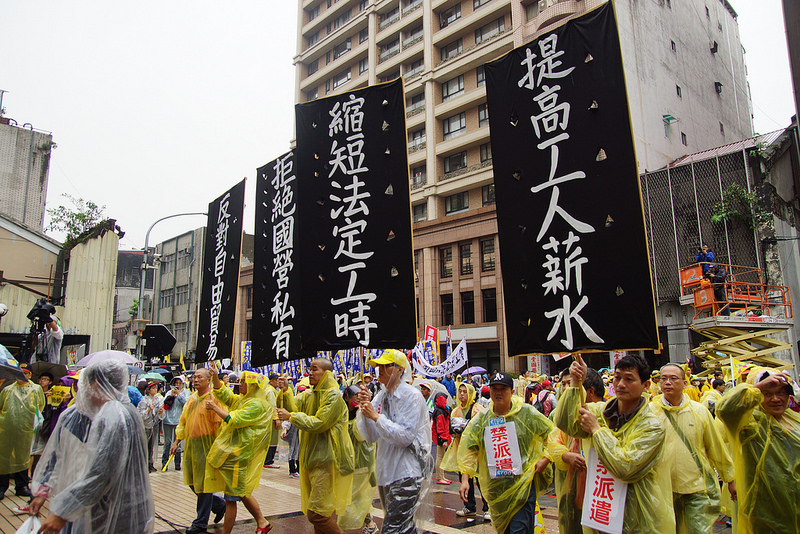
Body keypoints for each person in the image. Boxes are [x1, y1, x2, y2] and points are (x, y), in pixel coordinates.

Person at [553, 354, 675, 533]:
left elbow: (625, 467)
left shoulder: (652, 426)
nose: (621, 384)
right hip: (601, 513)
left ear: (646, 385)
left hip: (637, 519)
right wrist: (574, 384)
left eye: (629, 379)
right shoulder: (601, 412)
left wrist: (597, 431)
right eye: (617, 378)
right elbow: (565, 423)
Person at [29, 359, 154, 533]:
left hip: (114, 513)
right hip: (111, 509)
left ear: (95, 384)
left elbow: (101, 473)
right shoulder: (88, 414)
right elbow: (57, 454)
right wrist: (44, 490)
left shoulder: (114, 415)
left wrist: (62, 512)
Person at [457, 372, 554, 534]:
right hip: (497, 489)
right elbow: (469, 448)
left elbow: (552, 435)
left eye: (503, 389)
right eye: (495, 389)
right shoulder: (482, 419)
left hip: (523, 487)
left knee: (520, 530)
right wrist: (465, 479)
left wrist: (546, 458)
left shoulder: (526, 413)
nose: (499, 393)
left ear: (512, 392)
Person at [651, 364, 735, 534]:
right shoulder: (650, 412)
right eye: (663, 378)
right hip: (662, 489)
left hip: (696, 487)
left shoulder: (699, 412)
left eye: (673, 378)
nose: (667, 382)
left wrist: (730, 479)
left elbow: (716, 447)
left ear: (684, 383)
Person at [357, 349, 431, 534]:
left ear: (400, 370)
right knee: (404, 528)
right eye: (378, 366)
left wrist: (375, 417)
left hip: (407, 473)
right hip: (386, 472)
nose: (380, 370)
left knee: (392, 529)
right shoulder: (380, 397)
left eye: (386, 366)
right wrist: (366, 411)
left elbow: (405, 437)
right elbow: (370, 436)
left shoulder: (411, 396)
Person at [716, 369, 800, 532]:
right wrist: (758, 387)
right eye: (767, 393)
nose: (776, 399)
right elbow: (725, 409)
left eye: (781, 393)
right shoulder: (749, 422)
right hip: (765, 511)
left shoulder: (793, 420)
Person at [277, 358, 354, 534]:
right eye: (309, 369)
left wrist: (291, 417)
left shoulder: (333, 395)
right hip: (312, 459)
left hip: (327, 459)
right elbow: (295, 406)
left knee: (316, 514)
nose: (310, 373)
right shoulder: (311, 394)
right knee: (320, 512)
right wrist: (285, 392)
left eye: (314, 369)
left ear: (326, 373)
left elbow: (319, 423)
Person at [206, 370, 273, 534]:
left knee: (232, 497)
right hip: (234, 453)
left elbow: (233, 419)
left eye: (244, 381)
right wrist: (215, 376)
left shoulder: (256, 404)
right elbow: (225, 395)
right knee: (239, 492)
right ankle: (262, 521)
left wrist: (214, 407)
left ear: (252, 386)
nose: (240, 384)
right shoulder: (245, 400)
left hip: (239, 455)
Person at [548, 368, 605, 534]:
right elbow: (553, 442)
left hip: (601, 494)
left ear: (590, 391)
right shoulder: (564, 416)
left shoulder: (608, 412)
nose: (566, 389)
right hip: (572, 491)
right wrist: (566, 455)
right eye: (564, 384)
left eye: (572, 386)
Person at [171, 368, 226, 534]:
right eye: (194, 377)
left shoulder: (214, 399)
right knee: (193, 482)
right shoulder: (192, 398)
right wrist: (177, 440)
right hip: (192, 446)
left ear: (208, 380)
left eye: (199, 377)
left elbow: (221, 424)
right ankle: (218, 504)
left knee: (204, 485)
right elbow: (183, 421)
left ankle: (201, 521)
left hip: (207, 446)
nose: (195, 380)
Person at [441, 382, 488, 521]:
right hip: (461, 449)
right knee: (464, 478)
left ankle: (487, 507)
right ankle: (469, 506)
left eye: (464, 391)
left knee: (481, 479)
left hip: (477, 450)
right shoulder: (455, 411)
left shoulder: (478, 409)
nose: (462, 394)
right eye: (460, 391)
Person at [0, 366, 45, 499]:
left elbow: (40, 406)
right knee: (4, 457)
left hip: (26, 429)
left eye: (25, 373)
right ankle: (2, 486)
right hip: (6, 429)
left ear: (30, 375)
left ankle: (21, 486)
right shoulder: (8, 389)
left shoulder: (36, 389)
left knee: (23, 457)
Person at [339, 385, 378, 534]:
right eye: (354, 396)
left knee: (358, 494)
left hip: (362, 461)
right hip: (347, 461)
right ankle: (369, 523)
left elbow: (361, 436)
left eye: (359, 396)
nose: (357, 399)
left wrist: (360, 415)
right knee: (352, 494)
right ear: (346, 397)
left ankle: (368, 524)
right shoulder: (343, 414)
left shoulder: (363, 414)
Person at [161, 375, 189, 471]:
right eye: (176, 383)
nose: (177, 385)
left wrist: (179, 395)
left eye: (179, 383)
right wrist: (171, 397)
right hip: (168, 420)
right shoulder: (169, 392)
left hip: (179, 420)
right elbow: (165, 405)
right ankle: (164, 462)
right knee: (167, 443)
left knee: (177, 443)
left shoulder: (186, 393)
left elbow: (186, 404)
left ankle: (177, 463)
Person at [138, 381, 164, 472]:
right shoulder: (144, 400)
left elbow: (161, 414)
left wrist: (160, 412)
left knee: (151, 446)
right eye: (153, 388)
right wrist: (148, 410)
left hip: (154, 424)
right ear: (148, 390)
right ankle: (143, 465)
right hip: (146, 426)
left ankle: (150, 463)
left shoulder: (157, 399)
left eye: (155, 388)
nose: (155, 390)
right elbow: (140, 415)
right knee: (145, 445)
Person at [431, 392, 452, 485]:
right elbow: (440, 427)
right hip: (441, 437)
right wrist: (443, 439)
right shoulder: (440, 412)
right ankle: (440, 477)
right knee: (440, 457)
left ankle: (441, 476)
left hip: (441, 436)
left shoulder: (440, 411)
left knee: (441, 457)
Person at [263, 373, 282, 469]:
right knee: (272, 440)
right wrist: (276, 418)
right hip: (271, 419)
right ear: (271, 381)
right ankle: (268, 460)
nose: (278, 382)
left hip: (268, 418)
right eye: (276, 380)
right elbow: (272, 406)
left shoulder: (270, 389)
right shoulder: (270, 391)